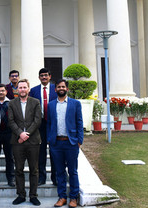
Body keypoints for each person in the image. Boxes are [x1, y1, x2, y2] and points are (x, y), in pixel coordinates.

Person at [47, 79, 84, 208]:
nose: (61, 88)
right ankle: (62, 197)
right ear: (55, 89)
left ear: (67, 89)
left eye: (63, 86)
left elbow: (79, 122)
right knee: (60, 172)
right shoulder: (51, 105)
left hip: (71, 143)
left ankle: (73, 198)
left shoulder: (75, 104)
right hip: (56, 143)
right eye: (58, 87)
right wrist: (49, 140)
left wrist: (79, 141)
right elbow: (49, 123)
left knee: (73, 171)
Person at [8, 79, 42, 206]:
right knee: (19, 169)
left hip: (33, 141)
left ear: (28, 89)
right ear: (17, 90)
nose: (22, 90)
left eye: (24, 87)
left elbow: (37, 120)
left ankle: (33, 195)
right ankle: (21, 195)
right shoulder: (12, 103)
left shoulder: (35, 102)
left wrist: (26, 134)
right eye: (20, 88)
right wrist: (20, 134)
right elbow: (10, 121)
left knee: (34, 170)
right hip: (17, 141)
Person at [29, 68, 58, 186]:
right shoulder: (34, 90)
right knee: (40, 152)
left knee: (54, 151)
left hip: (53, 124)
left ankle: (55, 177)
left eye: (46, 75)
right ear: (39, 77)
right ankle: (42, 177)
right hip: (39, 124)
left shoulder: (56, 89)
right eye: (41, 76)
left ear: (50, 76)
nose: (44, 77)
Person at [0, 83, 15, 187]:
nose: (1, 92)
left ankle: (11, 179)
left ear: (6, 92)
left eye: (2, 91)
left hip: (9, 133)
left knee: (9, 157)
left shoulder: (12, 104)